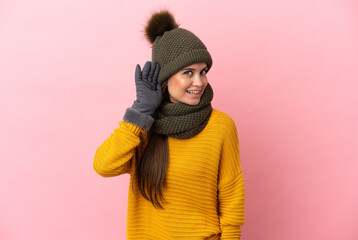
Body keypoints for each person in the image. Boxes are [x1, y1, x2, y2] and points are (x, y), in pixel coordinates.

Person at [93, 10, 245, 240]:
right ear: (165, 77)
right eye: (188, 73)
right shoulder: (143, 128)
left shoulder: (221, 126)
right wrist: (141, 112)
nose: (199, 82)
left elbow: (231, 197)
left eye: (203, 72)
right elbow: (104, 166)